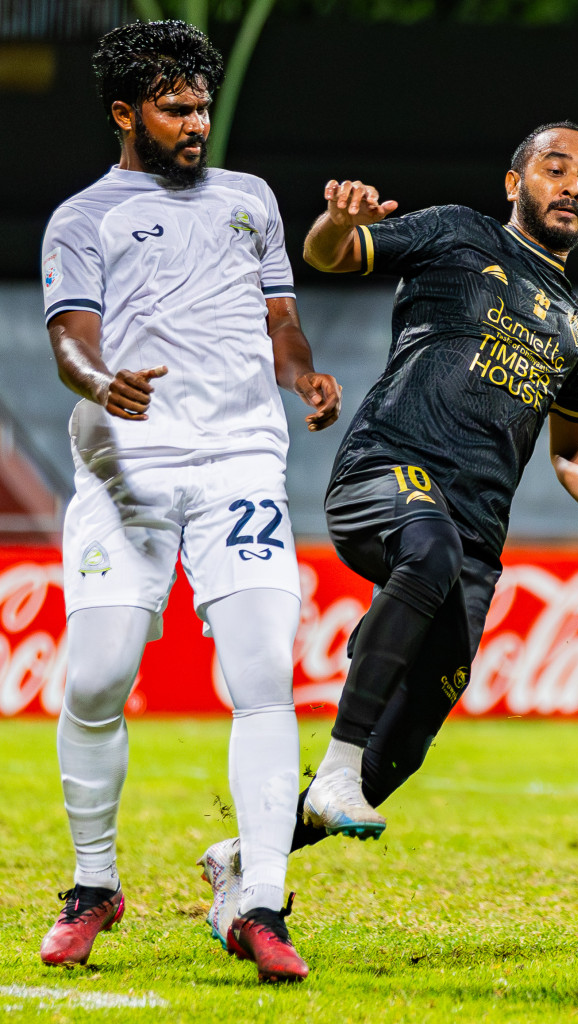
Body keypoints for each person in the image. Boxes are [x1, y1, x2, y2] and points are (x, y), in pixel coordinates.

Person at [194, 121, 578, 923]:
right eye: (556, 168)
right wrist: (341, 218)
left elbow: (573, 447)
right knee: (427, 546)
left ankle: (246, 855)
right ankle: (336, 763)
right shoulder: (454, 232)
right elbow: (330, 254)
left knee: (405, 744)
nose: (573, 186)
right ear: (514, 182)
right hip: (385, 469)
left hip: (476, 534)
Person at [38, 21, 340, 981]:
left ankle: (258, 901)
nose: (196, 122)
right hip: (127, 469)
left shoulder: (250, 200)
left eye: (203, 105)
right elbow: (71, 339)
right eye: (175, 108)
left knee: (262, 673)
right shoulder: (82, 218)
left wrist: (301, 375)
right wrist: (100, 383)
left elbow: (280, 317)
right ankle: (95, 885)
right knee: (95, 677)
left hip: (241, 463)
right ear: (126, 113)